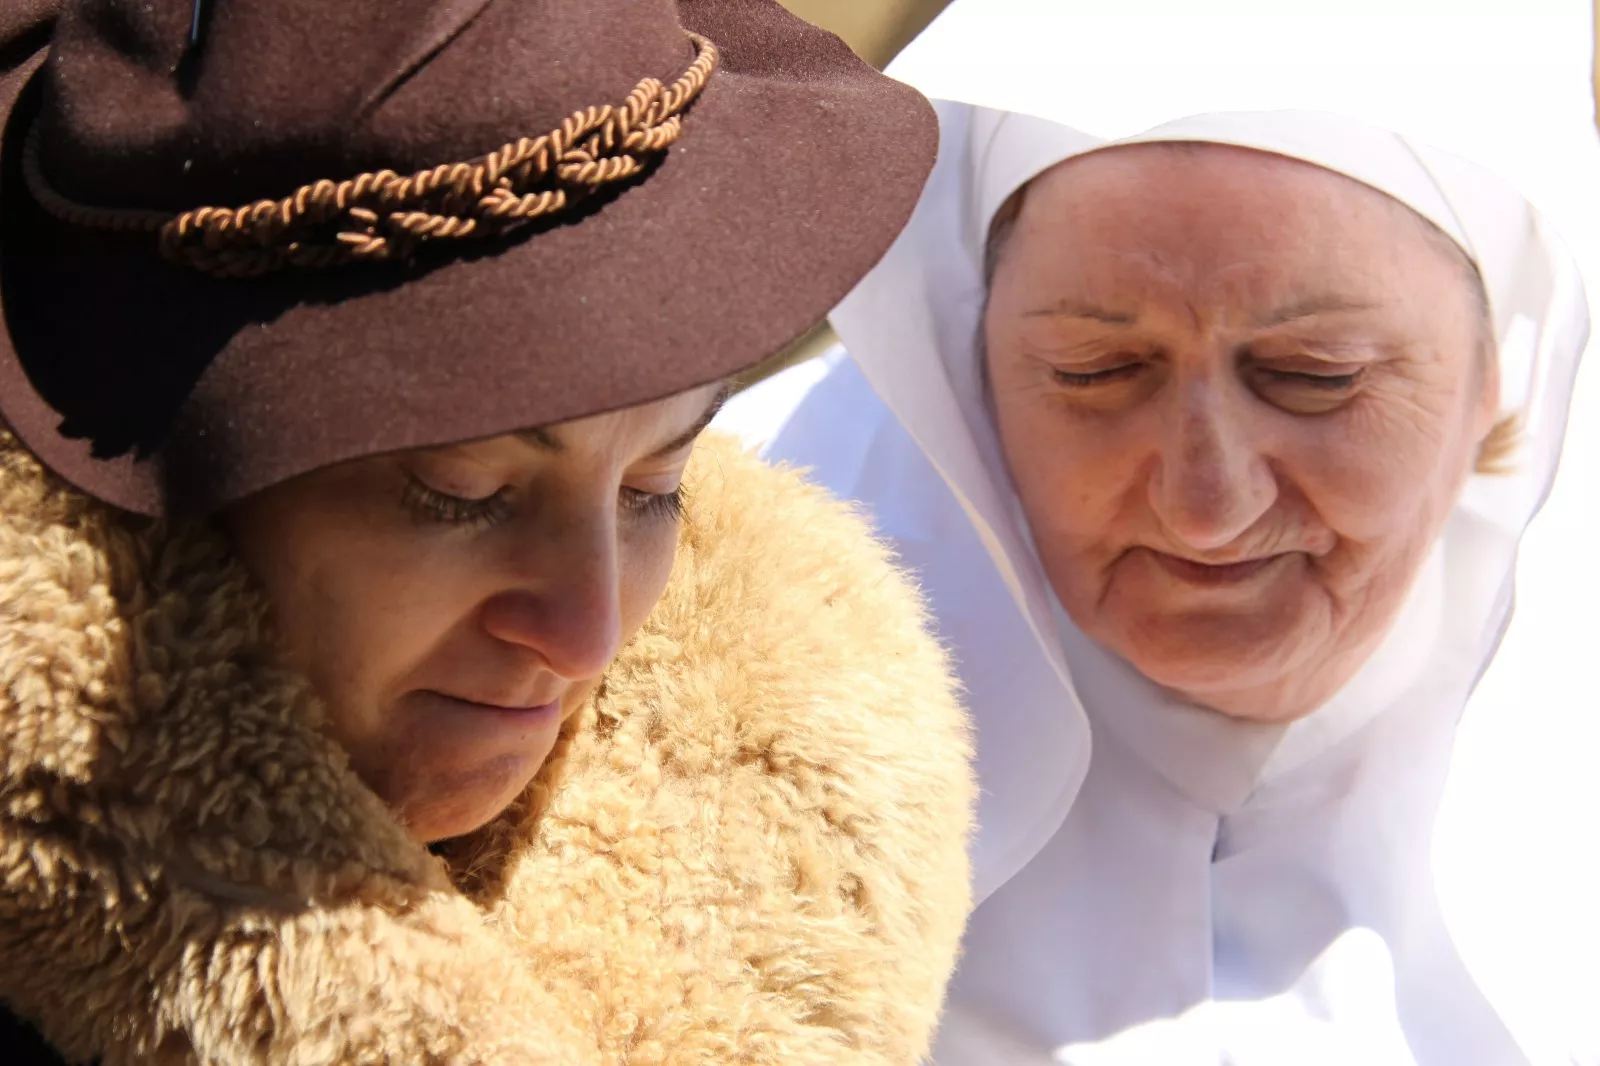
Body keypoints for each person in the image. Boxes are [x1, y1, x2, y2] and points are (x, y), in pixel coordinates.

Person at [0, 1, 976, 1063]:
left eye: (655, 485)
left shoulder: (785, 890)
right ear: (161, 480)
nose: (588, 634)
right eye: (463, 492)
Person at [718, 2, 1598, 1063]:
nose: (1204, 504)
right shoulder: (696, 594)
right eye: (1095, 375)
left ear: (1497, 382)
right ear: (964, 370)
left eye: (1313, 379)